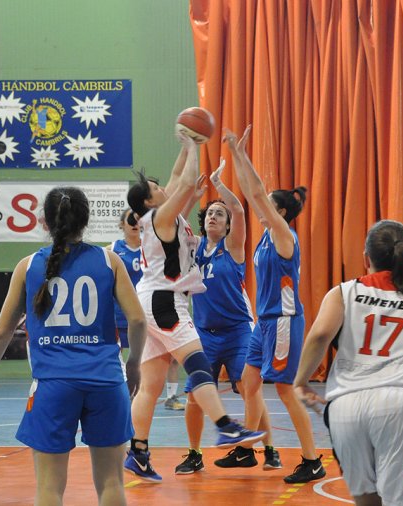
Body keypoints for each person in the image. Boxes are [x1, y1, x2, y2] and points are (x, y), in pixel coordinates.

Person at [0, 187, 146, 506]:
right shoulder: (109, 260)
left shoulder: (27, 266)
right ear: (86, 220)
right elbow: (138, 321)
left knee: (49, 488)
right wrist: (133, 364)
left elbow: (2, 331)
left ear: (44, 222)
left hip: (53, 385)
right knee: (111, 484)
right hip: (106, 381)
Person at [123, 132, 265, 483]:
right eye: (157, 188)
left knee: (151, 387)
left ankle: (137, 452)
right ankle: (225, 427)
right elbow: (185, 181)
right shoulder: (160, 216)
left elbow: (176, 180)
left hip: (152, 300)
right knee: (198, 363)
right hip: (164, 301)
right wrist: (192, 143)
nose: (164, 188)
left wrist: (184, 146)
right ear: (149, 199)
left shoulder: (162, 216)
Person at [293, 220, 403, 506]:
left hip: (346, 407)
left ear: (367, 259)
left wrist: (301, 381)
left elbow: (320, 335)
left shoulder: (344, 292)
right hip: (401, 405)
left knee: (367, 501)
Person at [224, 126, 322, 484]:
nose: (259, 203)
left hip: (282, 320)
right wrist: (236, 153)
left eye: (268, 202)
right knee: (248, 382)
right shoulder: (266, 235)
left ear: (279, 210)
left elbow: (254, 191)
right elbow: (253, 192)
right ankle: (247, 451)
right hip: (262, 322)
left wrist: (239, 152)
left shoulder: (283, 235)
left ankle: (312, 459)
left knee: (283, 389)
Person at [175, 160, 281, 475]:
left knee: (251, 387)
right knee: (195, 395)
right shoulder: (192, 248)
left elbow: (238, 210)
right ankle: (194, 454)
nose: (214, 216)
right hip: (204, 333)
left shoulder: (232, 246)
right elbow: (174, 222)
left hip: (237, 330)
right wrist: (191, 194)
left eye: (219, 214)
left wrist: (220, 184)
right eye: (209, 213)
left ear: (226, 224)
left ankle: (268, 450)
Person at [107, 209, 185, 411]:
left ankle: (172, 396)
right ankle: (126, 395)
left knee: (171, 354)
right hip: (122, 314)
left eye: (137, 219)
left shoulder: (150, 247)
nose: (134, 223)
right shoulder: (112, 250)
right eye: (129, 219)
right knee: (123, 357)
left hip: (150, 311)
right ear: (121, 225)